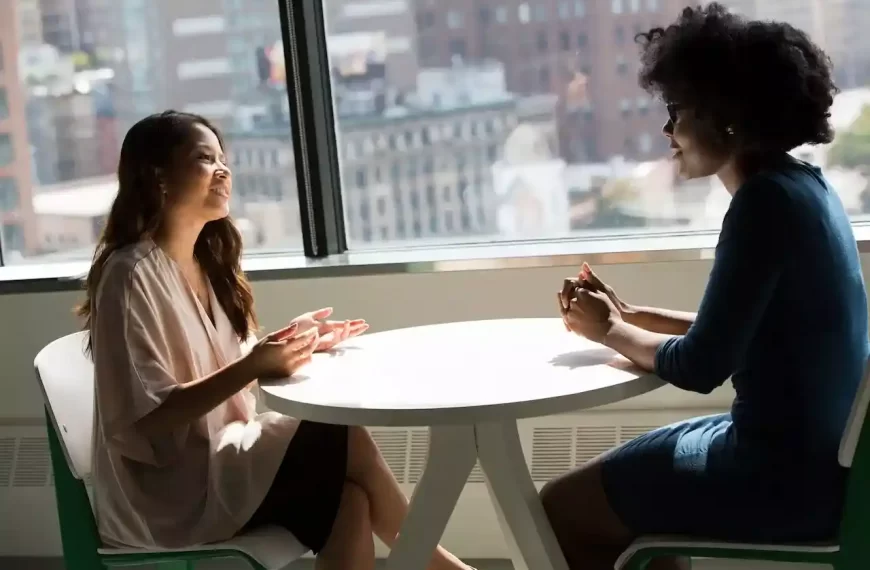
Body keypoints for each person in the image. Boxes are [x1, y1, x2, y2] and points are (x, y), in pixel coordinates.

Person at [541, 4, 869, 570]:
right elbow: (746, 334)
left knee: (558, 507)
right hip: (827, 465)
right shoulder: (805, 189)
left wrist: (612, 330)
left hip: (783, 479)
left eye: (677, 110)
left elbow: (701, 366)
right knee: (624, 500)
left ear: (725, 117)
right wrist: (631, 316)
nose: (668, 130)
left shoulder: (762, 206)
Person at [78, 110, 473, 570]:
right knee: (339, 435)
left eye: (223, 158)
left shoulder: (207, 267)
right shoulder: (130, 276)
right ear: (158, 176)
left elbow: (219, 366)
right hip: (168, 495)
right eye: (205, 159)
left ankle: (436, 563)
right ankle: (440, 565)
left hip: (220, 464)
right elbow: (141, 422)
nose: (224, 170)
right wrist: (253, 366)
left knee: (347, 500)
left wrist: (294, 343)